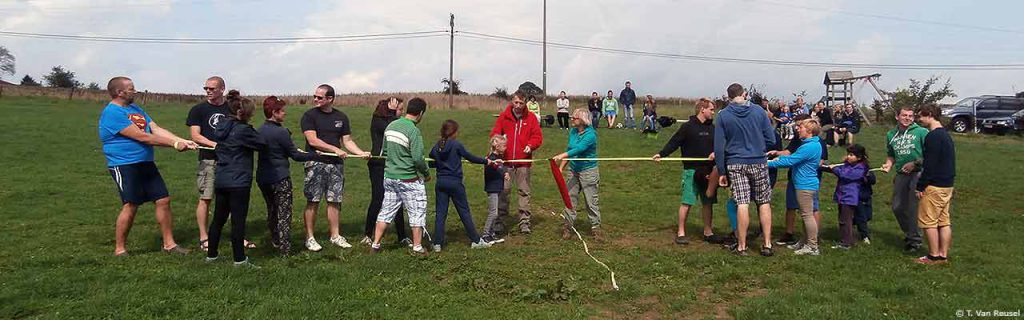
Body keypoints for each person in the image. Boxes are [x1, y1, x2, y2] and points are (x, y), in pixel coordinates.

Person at [99, 76, 196, 256]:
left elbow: (155, 129)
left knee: (163, 200)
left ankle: (169, 244)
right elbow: (142, 137)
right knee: (131, 204)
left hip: (145, 163)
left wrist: (182, 140)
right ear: (119, 92)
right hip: (124, 165)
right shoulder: (112, 113)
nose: (134, 91)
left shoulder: (135, 109)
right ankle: (120, 249)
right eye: (131, 88)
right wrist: (174, 145)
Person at [300, 84, 371, 252]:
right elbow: (313, 140)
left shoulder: (341, 117)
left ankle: (335, 236)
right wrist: (335, 149)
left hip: (336, 166)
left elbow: (347, 141)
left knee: (335, 201)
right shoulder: (309, 116)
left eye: (319, 97)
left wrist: (361, 153)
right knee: (313, 200)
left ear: (330, 99)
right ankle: (310, 238)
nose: (315, 99)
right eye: (315, 96)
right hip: (316, 163)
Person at [187, 76, 252, 252]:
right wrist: (217, 145)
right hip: (208, 159)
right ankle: (204, 237)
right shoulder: (198, 110)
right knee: (206, 198)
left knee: (233, 201)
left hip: (230, 161)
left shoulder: (230, 108)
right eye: (206, 88)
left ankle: (237, 236)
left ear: (222, 89)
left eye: (212, 89)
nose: (208, 91)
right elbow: (195, 135)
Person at [714, 83, 776, 257]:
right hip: (758, 160)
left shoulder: (723, 115)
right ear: (745, 94)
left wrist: (721, 171)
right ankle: (767, 244)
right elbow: (771, 138)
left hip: (735, 162)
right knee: (763, 202)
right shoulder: (759, 112)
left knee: (742, 203)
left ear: (729, 97)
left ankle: (742, 246)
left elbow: (719, 147)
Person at [207, 91, 266, 268]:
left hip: (222, 178)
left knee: (218, 218)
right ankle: (239, 259)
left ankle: (212, 255)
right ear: (243, 114)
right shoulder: (244, 130)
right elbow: (262, 143)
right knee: (238, 221)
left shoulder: (221, 127)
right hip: (238, 181)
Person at [653, 98, 723, 245]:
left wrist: (716, 153)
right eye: (711, 109)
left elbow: (721, 146)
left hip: (709, 172)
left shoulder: (714, 129)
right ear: (702, 109)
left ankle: (708, 232)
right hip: (691, 171)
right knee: (687, 202)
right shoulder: (688, 127)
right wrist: (662, 154)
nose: (713, 112)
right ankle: (681, 232)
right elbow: (674, 142)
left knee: (708, 202)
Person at [256, 96, 316, 256]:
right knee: (284, 213)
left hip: (262, 177)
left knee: (271, 210)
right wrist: (314, 155)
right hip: (280, 177)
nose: (285, 114)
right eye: (282, 111)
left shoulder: (259, 130)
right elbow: (295, 155)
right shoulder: (281, 132)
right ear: (274, 112)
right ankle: (285, 249)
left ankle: (275, 240)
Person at [371, 98, 431, 255]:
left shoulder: (391, 125)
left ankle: (375, 244)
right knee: (417, 211)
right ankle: (417, 246)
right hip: (408, 179)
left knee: (386, 211)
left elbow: (384, 150)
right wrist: (426, 173)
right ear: (421, 113)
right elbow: (418, 158)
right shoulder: (413, 131)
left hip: (390, 177)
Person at [429, 120, 496, 252]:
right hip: (455, 183)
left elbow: (431, 162)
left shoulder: (437, 146)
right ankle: (476, 241)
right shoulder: (456, 145)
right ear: (453, 132)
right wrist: (487, 161)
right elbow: (470, 157)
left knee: (440, 214)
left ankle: (437, 243)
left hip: (441, 183)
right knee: (464, 211)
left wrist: (439, 164)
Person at [490, 91, 544, 235]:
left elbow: (537, 136)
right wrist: (498, 143)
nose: (518, 106)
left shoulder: (531, 118)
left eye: (521, 103)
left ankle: (524, 222)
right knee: (503, 191)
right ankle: (500, 221)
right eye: (516, 103)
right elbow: (495, 133)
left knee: (524, 192)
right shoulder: (503, 117)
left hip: (523, 162)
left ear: (525, 103)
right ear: (511, 102)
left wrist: (531, 145)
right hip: (506, 162)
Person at [767, 119, 823, 256]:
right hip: (805, 184)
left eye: (801, 127)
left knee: (807, 215)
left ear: (809, 131)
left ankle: (812, 246)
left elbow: (791, 160)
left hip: (805, 186)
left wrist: (766, 163)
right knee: (806, 215)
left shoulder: (809, 147)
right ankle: (805, 241)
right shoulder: (811, 144)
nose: (798, 129)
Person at [362, 97, 411, 246]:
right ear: (390, 108)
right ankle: (367, 234)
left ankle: (402, 236)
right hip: (378, 164)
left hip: (392, 163)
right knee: (378, 198)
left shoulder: (394, 121)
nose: (402, 113)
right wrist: (391, 112)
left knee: (397, 200)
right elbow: (389, 129)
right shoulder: (377, 120)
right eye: (400, 109)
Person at [881, 106, 929, 252]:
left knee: (914, 207)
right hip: (901, 174)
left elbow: (930, 153)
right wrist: (888, 165)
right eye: (904, 115)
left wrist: (915, 164)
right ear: (897, 117)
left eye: (910, 116)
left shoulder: (921, 132)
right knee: (897, 207)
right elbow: (891, 154)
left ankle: (914, 241)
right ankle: (911, 232)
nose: (907, 118)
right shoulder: (891, 134)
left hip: (918, 173)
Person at [914, 104, 956, 265]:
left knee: (928, 221)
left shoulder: (932, 136)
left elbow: (929, 164)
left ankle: (933, 256)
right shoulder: (945, 135)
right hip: (947, 184)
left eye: (921, 116)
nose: (919, 119)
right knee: (944, 221)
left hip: (934, 185)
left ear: (930, 114)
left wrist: (921, 185)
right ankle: (943, 255)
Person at [552, 108, 602, 239]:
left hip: (588, 171)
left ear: (583, 120)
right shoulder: (573, 131)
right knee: (569, 199)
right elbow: (571, 149)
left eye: (574, 118)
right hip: (574, 170)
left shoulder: (591, 135)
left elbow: (579, 149)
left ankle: (596, 227)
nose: (571, 119)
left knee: (591, 201)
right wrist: (561, 167)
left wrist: (562, 155)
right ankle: (567, 226)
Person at [822, 144, 869, 250]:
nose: (848, 157)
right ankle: (845, 239)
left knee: (846, 220)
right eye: (848, 154)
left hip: (849, 197)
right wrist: (828, 166)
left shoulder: (860, 168)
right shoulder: (847, 165)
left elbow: (845, 175)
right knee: (842, 219)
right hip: (841, 196)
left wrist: (835, 169)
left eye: (851, 155)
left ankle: (846, 242)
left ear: (859, 157)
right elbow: (841, 170)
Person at [480, 135, 510, 244]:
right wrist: (503, 172)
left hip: (497, 187)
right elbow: (495, 167)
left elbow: (501, 167)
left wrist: (505, 172)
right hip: (492, 188)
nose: (505, 148)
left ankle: (491, 233)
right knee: (493, 213)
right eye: (504, 146)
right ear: (496, 146)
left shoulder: (499, 158)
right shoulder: (491, 158)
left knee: (495, 212)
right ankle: (485, 234)